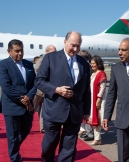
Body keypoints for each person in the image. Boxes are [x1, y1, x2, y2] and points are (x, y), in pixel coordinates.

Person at [35, 31, 91, 162]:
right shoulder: (50, 58)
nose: (75, 49)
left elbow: (86, 90)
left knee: (69, 148)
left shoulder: (84, 64)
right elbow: (39, 81)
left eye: (78, 46)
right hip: (54, 110)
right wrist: (56, 90)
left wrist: (86, 110)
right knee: (49, 145)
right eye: (73, 45)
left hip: (74, 112)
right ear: (65, 42)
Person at [0, 39, 36, 161]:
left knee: (26, 130)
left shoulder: (29, 64)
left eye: (22, 50)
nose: (20, 53)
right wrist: (22, 99)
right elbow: (6, 87)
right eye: (17, 51)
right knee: (13, 136)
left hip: (27, 106)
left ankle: (13, 149)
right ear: (9, 51)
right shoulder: (3, 64)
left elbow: (35, 84)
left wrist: (29, 97)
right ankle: (15, 158)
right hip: (12, 105)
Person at [33, 45, 57, 133]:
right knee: (32, 107)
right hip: (39, 89)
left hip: (47, 89)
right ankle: (25, 124)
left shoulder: (53, 59)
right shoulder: (43, 58)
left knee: (43, 109)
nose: (55, 53)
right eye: (53, 51)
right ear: (47, 51)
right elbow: (37, 69)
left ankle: (43, 128)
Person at [87, 55, 107, 145]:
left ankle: (97, 138)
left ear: (98, 63)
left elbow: (102, 88)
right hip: (92, 98)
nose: (92, 65)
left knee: (98, 118)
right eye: (91, 63)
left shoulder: (101, 73)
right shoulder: (93, 74)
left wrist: (99, 99)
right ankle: (97, 138)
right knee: (95, 118)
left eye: (94, 63)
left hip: (99, 98)